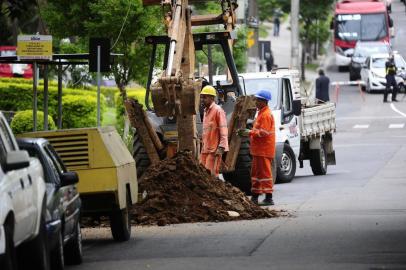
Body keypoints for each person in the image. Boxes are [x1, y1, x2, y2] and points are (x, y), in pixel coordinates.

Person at [237, 90, 275, 206]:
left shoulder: (266, 115)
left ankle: (269, 198)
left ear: (264, 101)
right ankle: (255, 197)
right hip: (259, 150)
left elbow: (264, 133)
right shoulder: (261, 113)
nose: (256, 102)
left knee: (265, 174)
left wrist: (250, 132)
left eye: (258, 100)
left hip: (264, 150)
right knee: (256, 174)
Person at [200, 85, 229, 177]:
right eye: (202, 97)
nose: (202, 99)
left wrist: (221, 147)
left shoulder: (218, 110)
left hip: (214, 149)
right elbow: (206, 130)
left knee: (211, 175)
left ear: (212, 98)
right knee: (203, 173)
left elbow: (223, 129)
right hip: (206, 149)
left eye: (205, 97)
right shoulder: (206, 111)